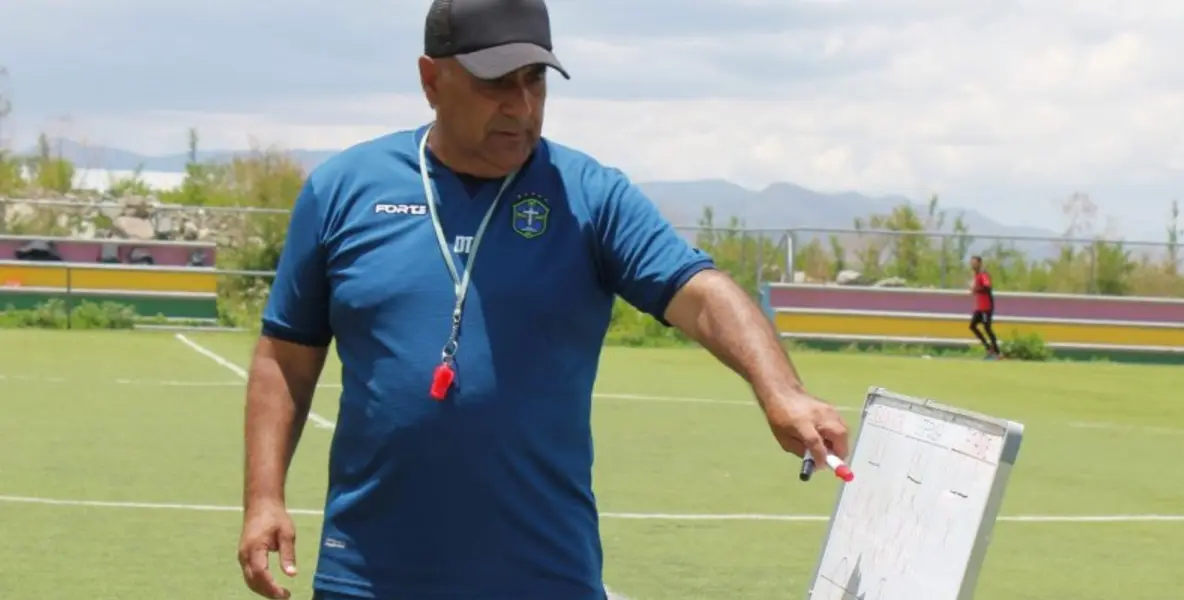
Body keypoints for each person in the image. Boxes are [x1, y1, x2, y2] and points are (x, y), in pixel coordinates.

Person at [235, 0, 851, 598]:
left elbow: (699, 292)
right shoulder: (344, 190)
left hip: (544, 573)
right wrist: (264, 499)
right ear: (431, 79)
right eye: (495, 83)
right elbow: (285, 358)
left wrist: (780, 389)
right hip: (369, 576)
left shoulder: (588, 195)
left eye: (535, 81)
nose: (522, 107)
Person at [968, 255, 1001, 359]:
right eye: (971, 262)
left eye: (974, 262)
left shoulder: (983, 275)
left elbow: (988, 287)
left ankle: (997, 352)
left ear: (979, 263)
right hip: (980, 307)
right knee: (972, 326)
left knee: (987, 328)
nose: (972, 264)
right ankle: (988, 348)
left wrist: (976, 290)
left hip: (986, 306)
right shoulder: (977, 275)